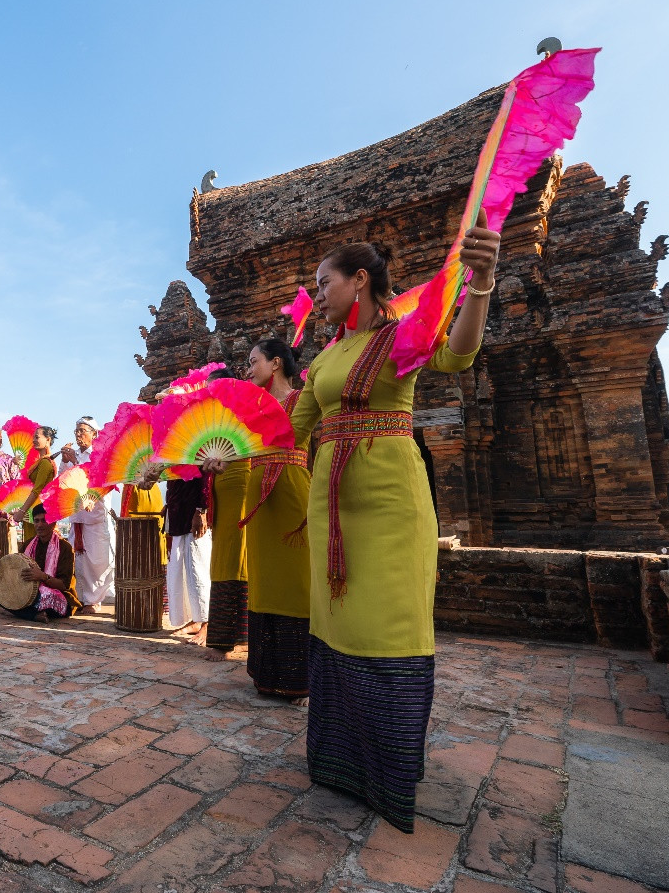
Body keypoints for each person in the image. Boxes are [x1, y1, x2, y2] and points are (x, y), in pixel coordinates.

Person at [292, 220, 498, 833]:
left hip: (389, 502)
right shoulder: (327, 354)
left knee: (388, 625)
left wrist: (479, 284)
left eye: (323, 282)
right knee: (336, 621)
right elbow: (289, 427)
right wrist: (217, 452)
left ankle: (388, 771)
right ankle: (339, 761)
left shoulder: (402, 333)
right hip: (330, 510)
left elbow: (458, 352)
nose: (316, 293)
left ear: (360, 281)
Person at [242, 338, 312, 700]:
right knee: (265, 580)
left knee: (297, 580)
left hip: (292, 493)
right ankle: (266, 672)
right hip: (257, 497)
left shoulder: (303, 399)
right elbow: (240, 450)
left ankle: (298, 676)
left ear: (276, 364)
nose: (248, 368)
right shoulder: (249, 409)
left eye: (254, 361)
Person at [200, 370, 250, 656]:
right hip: (219, 485)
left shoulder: (241, 411)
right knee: (221, 558)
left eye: (214, 388)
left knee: (238, 556)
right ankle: (223, 635)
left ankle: (241, 635)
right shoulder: (211, 418)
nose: (210, 393)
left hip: (241, 481)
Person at [59, 416, 116, 614]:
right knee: (79, 558)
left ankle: (95, 600)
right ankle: (81, 597)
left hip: (95, 517)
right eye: (76, 430)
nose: (78, 434)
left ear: (94, 434)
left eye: (83, 430)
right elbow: (63, 482)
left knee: (97, 560)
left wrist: (75, 461)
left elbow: (99, 479)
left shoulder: (99, 454)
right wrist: (65, 462)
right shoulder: (74, 456)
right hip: (77, 516)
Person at [6, 504, 82, 622]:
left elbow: (64, 585)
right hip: (30, 592)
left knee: (43, 596)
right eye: (36, 521)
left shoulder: (65, 548)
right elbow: (15, 569)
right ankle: (34, 615)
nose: (39, 525)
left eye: (44, 520)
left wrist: (42, 576)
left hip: (59, 595)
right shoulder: (28, 545)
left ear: (53, 523)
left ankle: (28, 613)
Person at [164, 474, 211, 639]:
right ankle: (196, 619)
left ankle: (207, 623)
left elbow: (206, 477)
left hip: (194, 513)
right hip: (178, 514)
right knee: (182, 571)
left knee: (199, 568)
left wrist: (201, 510)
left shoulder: (197, 448)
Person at [11, 426, 58, 545]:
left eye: (37, 437)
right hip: (32, 508)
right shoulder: (40, 461)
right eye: (34, 437)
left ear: (48, 440)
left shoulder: (45, 463)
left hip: (38, 511)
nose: (34, 440)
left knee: (35, 546)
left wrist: (22, 511)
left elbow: (36, 490)